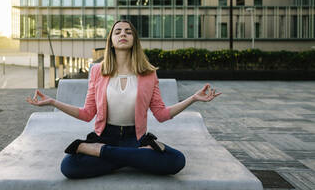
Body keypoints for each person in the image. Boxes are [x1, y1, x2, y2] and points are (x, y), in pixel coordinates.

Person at [26, 20, 222, 179]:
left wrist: (193, 99)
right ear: (111, 40)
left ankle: (102, 153)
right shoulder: (97, 71)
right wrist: (53, 102)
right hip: (105, 136)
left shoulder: (148, 74)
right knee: (69, 167)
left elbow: (161, 114)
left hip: (135, 139)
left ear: (134, 40)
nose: (123, 34)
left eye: (128, 32)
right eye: (118, 31)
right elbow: (87, 114)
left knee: (176, 160)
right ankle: (137, 158)